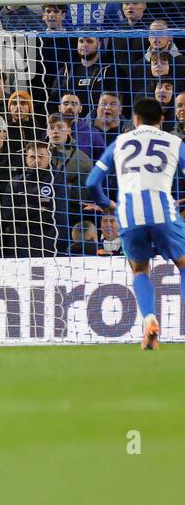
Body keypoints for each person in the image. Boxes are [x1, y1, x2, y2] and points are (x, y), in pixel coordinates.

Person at [85, 97, 185, 350]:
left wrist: (108, 204)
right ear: (162, 120)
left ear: (135, 120)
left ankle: (149, 319)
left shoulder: (119, 142)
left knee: (140, 270)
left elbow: (91, 183)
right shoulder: (175, 142)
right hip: (163, 212)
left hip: (128, 215)